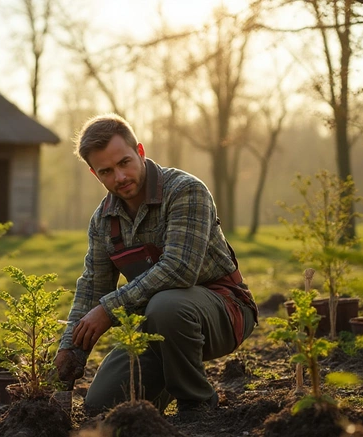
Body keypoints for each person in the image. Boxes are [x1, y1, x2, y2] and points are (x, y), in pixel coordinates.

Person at [54, 113, 258, 416]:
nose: (120, 177)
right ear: (94, 174)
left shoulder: (185, 191)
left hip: (223, 311)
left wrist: (109, 310)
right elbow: (92, 288)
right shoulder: (103, 221)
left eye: (124, 163)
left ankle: (198, 404)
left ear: (140, 151)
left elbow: (179, 269)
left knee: (167, 305)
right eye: (107, 171)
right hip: (157, 326)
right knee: (104, 406)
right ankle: (156, 401)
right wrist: (69, 351)